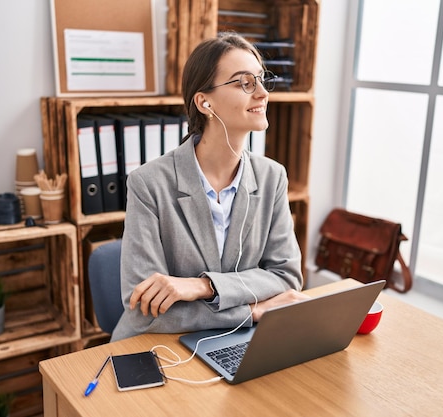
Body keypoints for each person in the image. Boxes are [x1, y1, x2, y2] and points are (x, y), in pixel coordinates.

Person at [110, 33, 308, 342]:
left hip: (238, 343)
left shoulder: (273, 177)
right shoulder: (148, 183)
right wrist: (252, 311)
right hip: (159, 346)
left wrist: (204, 286)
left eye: (261, 79)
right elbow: (142, 308)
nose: (262, 94)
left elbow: (286, 277)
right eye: (244, 83)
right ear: (204, 102)